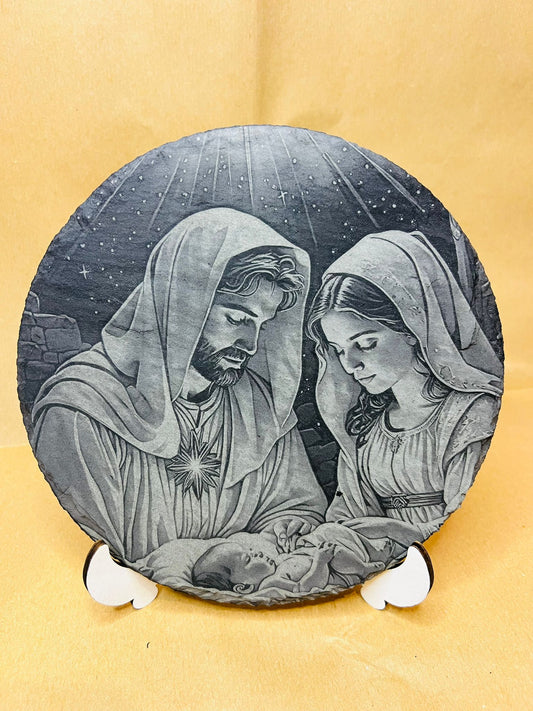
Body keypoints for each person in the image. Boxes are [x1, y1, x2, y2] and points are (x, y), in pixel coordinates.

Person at [32, 208, 327, 565]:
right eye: (237, 318)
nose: (250, 345)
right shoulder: (82, 410)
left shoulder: (260, 408)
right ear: (184, 303)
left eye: (262, 325)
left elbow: (296, 509)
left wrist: (287, 527)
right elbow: (91, 554)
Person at [307, 229, 503, 552]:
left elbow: (474, 519)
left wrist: (391, 532)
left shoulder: (469, 417)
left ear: (411, 328)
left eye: (365, 343)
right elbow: (348, 515)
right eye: (339, 350)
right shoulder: (367, 428)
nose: (350, 364)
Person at [190, 525, 386, 596]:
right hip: (334, 575)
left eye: (250, 550)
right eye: (248, 559)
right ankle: (363, 570)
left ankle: (364, 565)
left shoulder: (278, 562)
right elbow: (305, 588)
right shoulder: (271, 583)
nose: (257, 553)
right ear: (244, 587)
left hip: (330, 562)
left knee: (330, 537)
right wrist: (320, 563)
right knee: (334, 553)